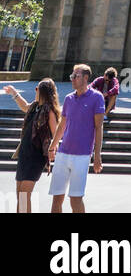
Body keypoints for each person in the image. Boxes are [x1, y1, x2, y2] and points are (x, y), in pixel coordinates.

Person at [47, 64, 105, 213]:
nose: (72, 79)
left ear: (86, 78)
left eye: (76, 76)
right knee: (56, 197)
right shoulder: (68, 98)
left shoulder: (97, 98)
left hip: (82, 155)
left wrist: (97, 155)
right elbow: (62, 125)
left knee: (75, 198)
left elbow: (98, 128)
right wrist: (53, 146)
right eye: (72, 76)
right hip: (63, 153)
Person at [3, 79, 60, 213]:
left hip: (36, 156)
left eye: (37, 88)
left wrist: (53, 149)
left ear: (43, 91)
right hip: (24, 153)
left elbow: (56, 133)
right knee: (20, 193)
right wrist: (14, 93)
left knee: (24, 194)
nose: (35, 90)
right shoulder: (35, 106)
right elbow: (24, 106)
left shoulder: (49, 111)